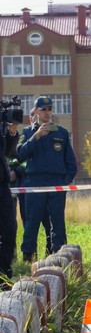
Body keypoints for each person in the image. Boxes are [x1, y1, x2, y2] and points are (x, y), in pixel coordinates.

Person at [17, 96, 77, 262]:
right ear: (36, 111)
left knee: (57, 223)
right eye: (43, 109)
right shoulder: (28, 132)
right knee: (32, 223)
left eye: (50, 109)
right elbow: (20, 154)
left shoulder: (62, 133)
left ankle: (58, 256)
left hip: (56, 184)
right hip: (34, 184)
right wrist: (36, 137)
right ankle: (28, 257)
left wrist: (63, 182)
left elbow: (71, 164)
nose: (47, 112)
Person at [14, 108, 53, 255]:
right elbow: (17, 158)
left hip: (46, 186)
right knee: (29, 224)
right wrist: (18, 171)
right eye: (32, 117)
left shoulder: (52, 134)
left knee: (50, 224)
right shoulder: (24, 135)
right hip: (25, 188)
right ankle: (30, 257)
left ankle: (51, 255)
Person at [0, 116, 19, 287]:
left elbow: (8, 153)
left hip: (2, 185)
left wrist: (11, 134)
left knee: (9, 230)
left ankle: (4, 273)